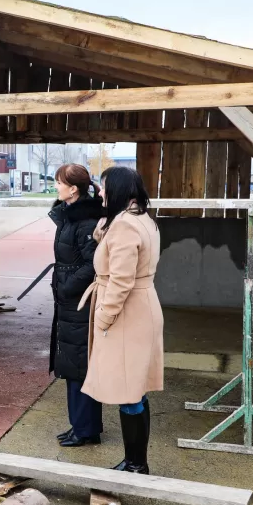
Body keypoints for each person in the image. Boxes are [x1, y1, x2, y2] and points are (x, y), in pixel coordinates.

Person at [79, 166, 163, 474]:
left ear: (117, 190)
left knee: (128, 389)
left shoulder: (125, 226)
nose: (99, 192)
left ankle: (135, 463)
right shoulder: (140, 219)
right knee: (135, 388)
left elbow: (121, 280)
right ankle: (136, 461)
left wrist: (103, 316)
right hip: (140, 308)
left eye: (102, 187)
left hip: (128, 314)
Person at [49, 164, 104, 448]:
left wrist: (67, 286)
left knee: (79, 364)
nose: (56, 186)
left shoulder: (84, 222)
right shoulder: (69, 217)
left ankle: (86, 429)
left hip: (78, 302)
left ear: (73, 189)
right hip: (69, 301)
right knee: (72, 363)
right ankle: (81, 425)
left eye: (59, 182)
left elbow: (93, 264)